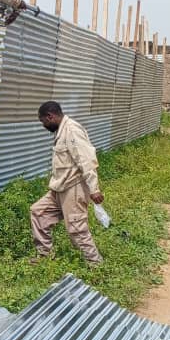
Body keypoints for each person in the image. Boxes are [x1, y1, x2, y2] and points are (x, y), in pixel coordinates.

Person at [29, 101, 104, 265]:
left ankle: (95, 264)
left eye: (43, 121)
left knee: (76, 228)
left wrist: (94, 189)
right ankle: (44, 255)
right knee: (38, 212)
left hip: (73, 187)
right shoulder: (61, 131)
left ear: (50, 116)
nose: (43, 125)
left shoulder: (72, 130)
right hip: (59, 187)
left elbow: (86, 160)